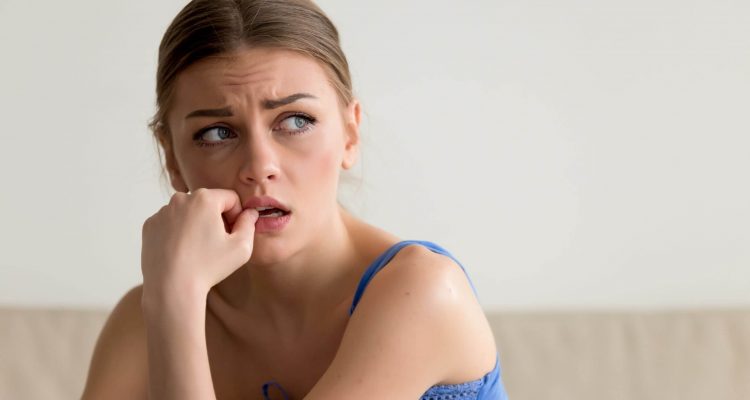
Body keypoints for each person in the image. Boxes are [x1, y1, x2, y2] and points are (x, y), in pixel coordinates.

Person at [81, 0, 508, 399]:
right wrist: (175, 299)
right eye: (217, 132)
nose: (259, 166)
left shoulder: (423, 291)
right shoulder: (146, 317)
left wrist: (175, 300)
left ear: (350, 134)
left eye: (296, 121)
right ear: (171, 157)